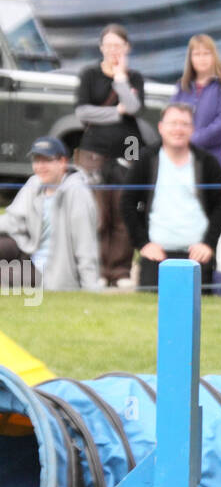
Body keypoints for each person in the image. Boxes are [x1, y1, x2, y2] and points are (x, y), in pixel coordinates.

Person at [123, 103, 221, 290]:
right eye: (173, 123)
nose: (178, 129)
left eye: (184, 124)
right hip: (156, 255)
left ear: (192, 129)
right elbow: (127, 202)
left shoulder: (206, 162)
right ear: (161, 127)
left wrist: (208, 244)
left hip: (197, 255)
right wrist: (143, 244)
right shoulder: (146, 159)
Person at [75, 22, 145, 288]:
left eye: (118, 46)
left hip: (128, 148)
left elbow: (134, 107)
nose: (113, 50)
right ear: (101, 47)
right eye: (109, 45)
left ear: (127, 48)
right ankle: (97, 270)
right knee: (96, 213)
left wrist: (121, 80)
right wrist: (115, 113)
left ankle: (120, 271)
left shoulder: (134, 77)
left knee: (123, 211)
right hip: (93, 150)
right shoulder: (89, 74)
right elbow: (82, 112)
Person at [0, 136, 100, 290]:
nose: (40, 166)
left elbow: (85, 246)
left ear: (62, 162)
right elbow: (12, 221)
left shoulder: (77, 193)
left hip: (54, 273)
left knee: (4, 275)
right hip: (29, 255)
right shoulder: (34, 183)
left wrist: (91, 289)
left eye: (46, 160)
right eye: (36, 161)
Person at [171, 34, 221, 178]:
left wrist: (192, 139)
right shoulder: (181, 87)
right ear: (190, 58)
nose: (201, 58)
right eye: (197, 54)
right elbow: (171, 119)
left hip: (218, 166)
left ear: (214, 56)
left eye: (206, 53)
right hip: (185, 167)